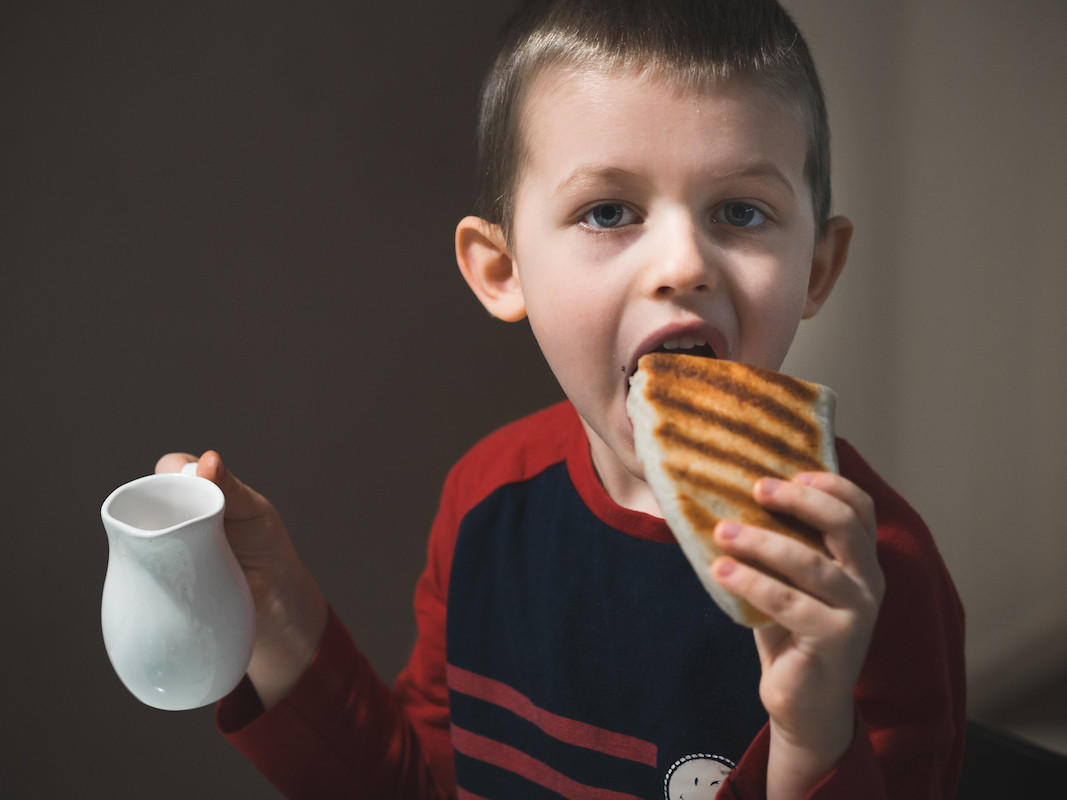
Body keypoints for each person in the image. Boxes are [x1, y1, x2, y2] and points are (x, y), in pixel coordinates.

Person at [157, 1, 966, 797]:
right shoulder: (486, 500)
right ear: (502, 272)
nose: (683, 263)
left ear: (817, 270)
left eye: (740, 211)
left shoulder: (866, 573)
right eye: (608, 211)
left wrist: (809, 738)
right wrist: (277, 621)